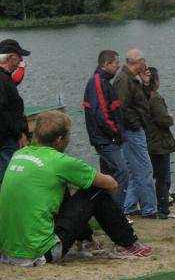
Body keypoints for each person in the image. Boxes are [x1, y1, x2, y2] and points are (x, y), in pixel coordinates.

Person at [0, 110, 153, 265]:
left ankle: (86, 241)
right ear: (59, 140)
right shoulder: (60, 162)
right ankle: (127, 244)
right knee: (96, 191)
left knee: (59, 186)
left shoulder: (19, 155)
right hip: (40, 253)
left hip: (7, 252)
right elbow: (112, 184)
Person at [112, 48, 158, 218]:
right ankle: (149, 209)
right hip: (131, 131)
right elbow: (121, 107)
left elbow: (140, 101)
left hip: (129, 131)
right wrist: (135, 124)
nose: (145, 65)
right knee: (145, 169)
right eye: (144, 61)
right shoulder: (124, 80)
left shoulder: (130, 79)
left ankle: (129, 205)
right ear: (139, 62)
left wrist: (145, 84)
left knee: (132, 170)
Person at [83, 49, 129, 210]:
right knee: (122, 172)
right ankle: (116, 214)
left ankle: (106, 212)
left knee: (109, 177)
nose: (118, 66)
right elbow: (102, 115)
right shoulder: (97, 83)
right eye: (116, 63)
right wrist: (116, 133)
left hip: (106, 138)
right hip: (105, 139)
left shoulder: (104, 82)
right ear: (106, 64)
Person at [144, 66, 175, 219]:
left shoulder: (144, 97)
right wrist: (170, 117)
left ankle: (154, 206)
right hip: (159, 143)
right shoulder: (155, 98)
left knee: (153, 176)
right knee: (163, 178)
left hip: (150, 141)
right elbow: (162, 120)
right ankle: (163, 210)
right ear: (156, 81)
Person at [0, 38, 31, 185]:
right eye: (19, 58)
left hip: (8, 136)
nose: (20, 63)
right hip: (6, 140)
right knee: (8, 177)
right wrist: (18, 134)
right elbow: (2, 110)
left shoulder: (5, 77)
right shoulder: (2, 78)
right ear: (11, 58)